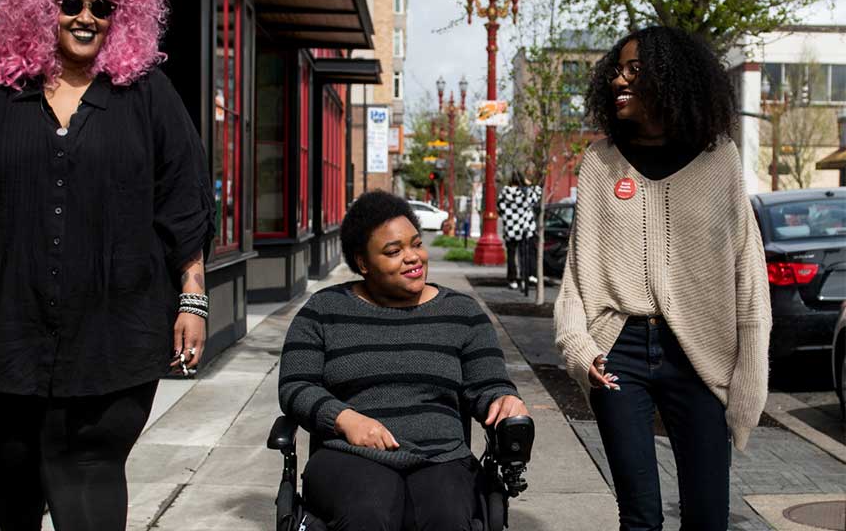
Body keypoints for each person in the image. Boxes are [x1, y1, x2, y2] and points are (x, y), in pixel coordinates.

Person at [0, 0, 214, 531]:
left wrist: (193, 295)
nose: (86, 17)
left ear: (120, 18)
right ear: (38, 8)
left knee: (92, 484)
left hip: (114, 337)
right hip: (6, 340)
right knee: (13, 483)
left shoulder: (147, 95)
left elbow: (184, 201)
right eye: (70, 2)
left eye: (102, 8)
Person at [554, 26, 771, 531]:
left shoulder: (721, 160)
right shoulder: (599, 163)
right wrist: (579, 349)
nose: (617, 80)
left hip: (700, 355)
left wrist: (748, 385)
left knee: (707, 517)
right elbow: (575, 277)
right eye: (616, 70)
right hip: (617, 353)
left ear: (671, 80)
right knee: (640, 517)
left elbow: (749, 275)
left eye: (634, 70)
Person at [278, 190, 529, 530]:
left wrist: (503, 400)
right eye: (394, 251)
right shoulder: (323, 312)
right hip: (347, 454)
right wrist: (344, 418)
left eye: (416, 244)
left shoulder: (462, 314)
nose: (413, 258)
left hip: (441, 456)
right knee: (368, 513)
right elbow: (296, 386)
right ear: (363, 262)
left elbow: (487, 383)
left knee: (447, 518)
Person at [498, 171, 540, 290]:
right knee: (524, 254)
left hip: (510, 229)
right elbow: (538, 193)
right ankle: (525, 277)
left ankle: (512, 280)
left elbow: (499, 210)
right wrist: (528, 184)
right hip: (525, 229)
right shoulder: (526, 192)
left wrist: (509, 216)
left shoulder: (504, 192)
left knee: (511, 255)